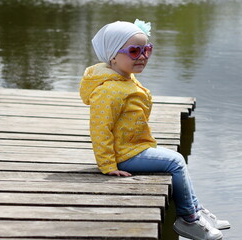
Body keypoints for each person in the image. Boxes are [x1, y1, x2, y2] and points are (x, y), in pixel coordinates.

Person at [80, 19, 230, 240]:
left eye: (146, 49)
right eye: (134, 51)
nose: (142, 56)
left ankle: (196, 209)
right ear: (113, 55)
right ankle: (189, 219)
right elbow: (100, 130)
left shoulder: (124, 79)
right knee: (176, 161)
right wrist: (107, 165)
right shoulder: (108, 90)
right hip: (123, 155)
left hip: (134, 148)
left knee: (174, 160)